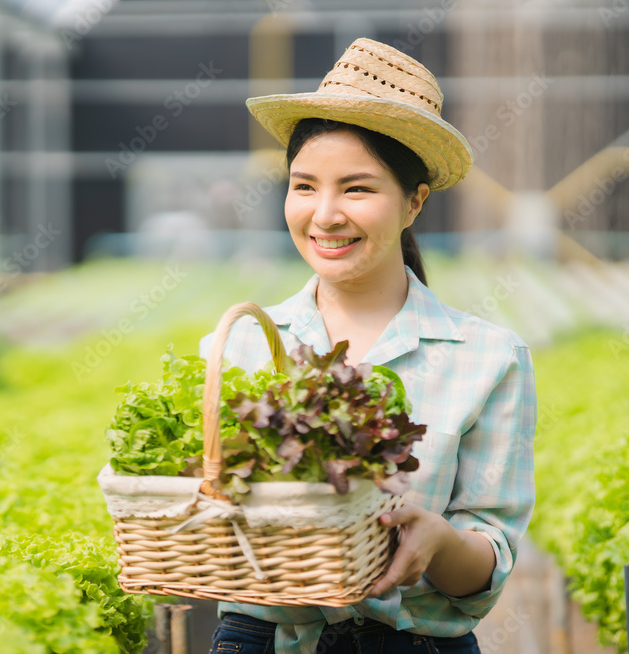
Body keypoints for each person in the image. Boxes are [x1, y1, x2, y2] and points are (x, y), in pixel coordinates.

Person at [199, 38, 536, 654]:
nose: (324, 215)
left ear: (414, 202)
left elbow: (488, 564)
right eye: (304, 187)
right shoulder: (240, 346)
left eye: (356, 189)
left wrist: (437, 541)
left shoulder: (489, 358)